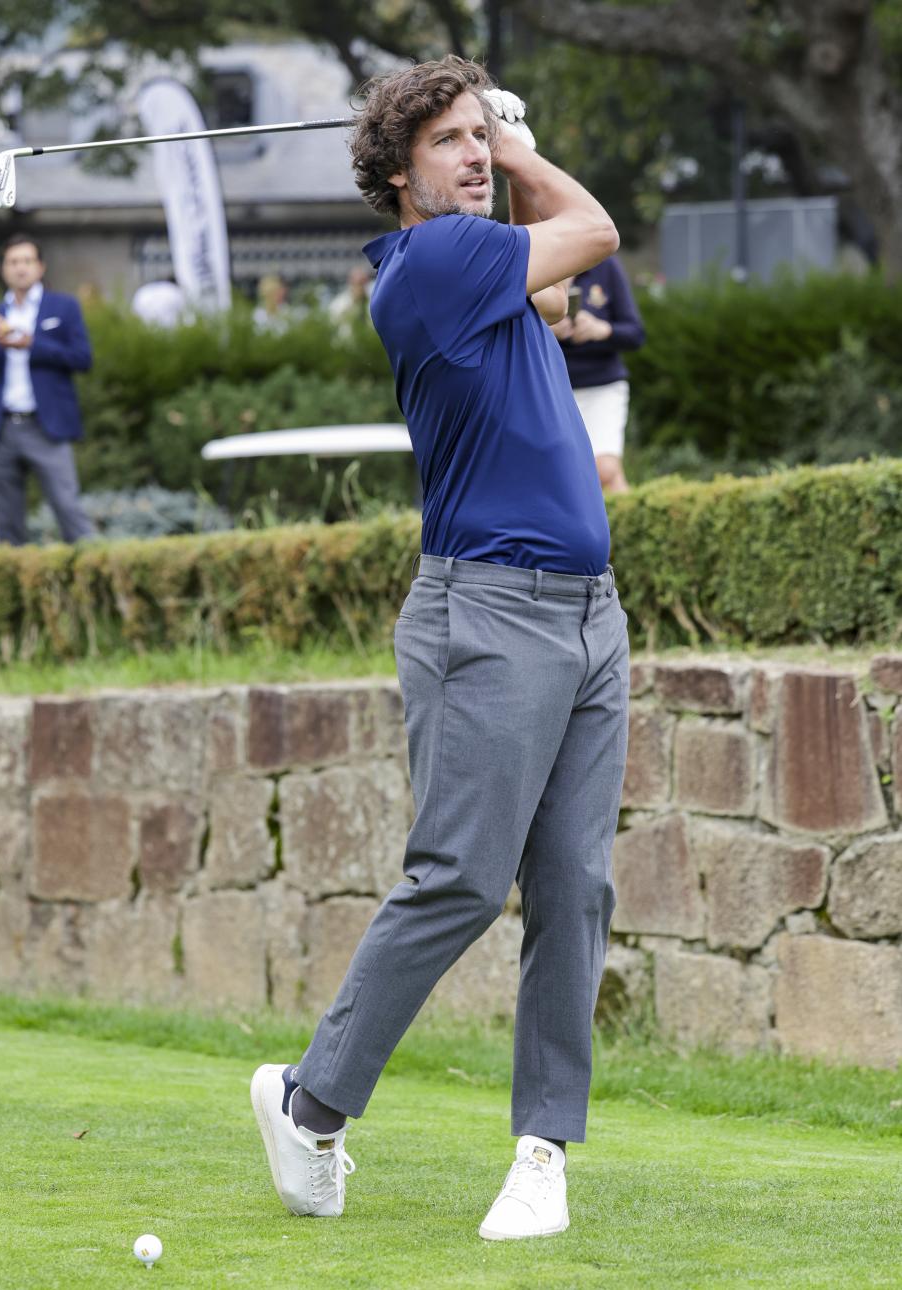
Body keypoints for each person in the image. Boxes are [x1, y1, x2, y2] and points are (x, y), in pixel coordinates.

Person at [250, 57, 629, 1243]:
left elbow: (565, 298)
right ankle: (312, 1103)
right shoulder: (435, 264)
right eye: (453, 141)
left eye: (482, 133)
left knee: (575, 884)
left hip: (586, 612)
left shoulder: (478, 271)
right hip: (491, 614)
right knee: (461, 875)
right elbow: (598, 231)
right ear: (400, 177)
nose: (475, 152)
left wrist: (505, 164)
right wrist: (524, 154)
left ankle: (541, 1153)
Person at [0, 235, 94, 545]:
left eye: (26, 261)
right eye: (13, 262)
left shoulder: (63, 307)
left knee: (69, 511)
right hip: (4, 426)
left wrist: (33, 344)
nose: (20, 268)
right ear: (3, 270)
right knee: (7, 525)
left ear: (40, 267)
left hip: (46, 425)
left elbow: (82, 359)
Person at [551, 258, 645, 494]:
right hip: (551, 390)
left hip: (601, 385)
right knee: (562, 478)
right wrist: (546, 330)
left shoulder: (605, 266)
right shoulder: (538, 263)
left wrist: (600, 329)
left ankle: (629, 525)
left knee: (604, 469)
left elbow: (635, 334)